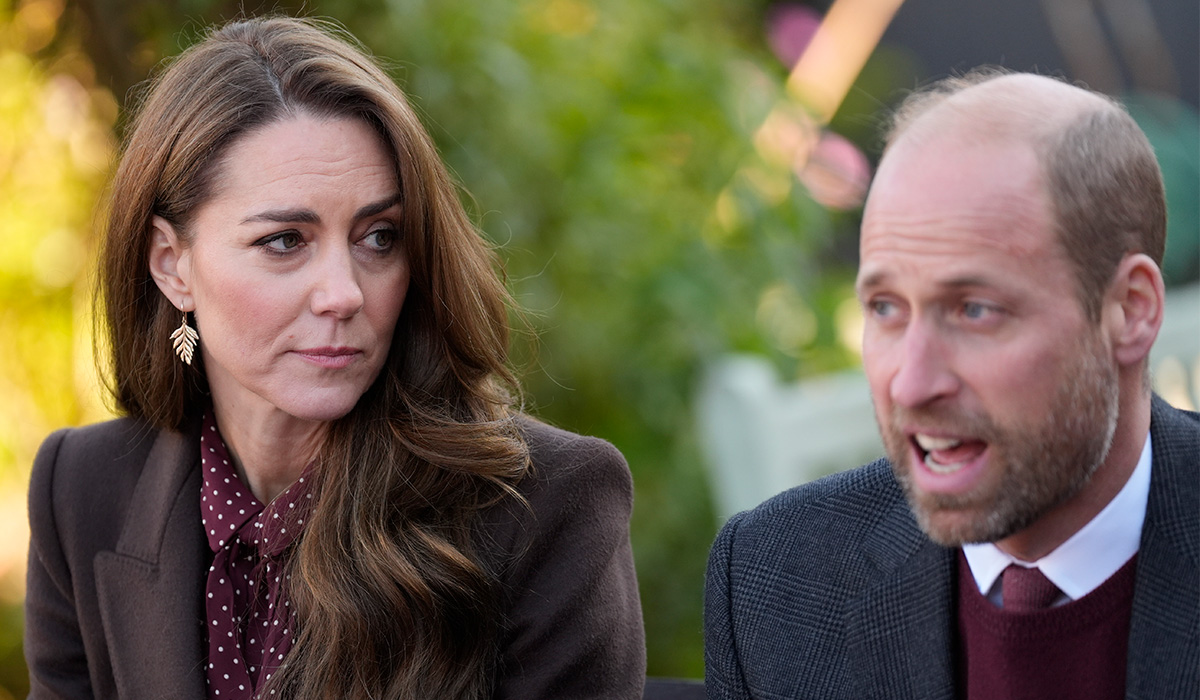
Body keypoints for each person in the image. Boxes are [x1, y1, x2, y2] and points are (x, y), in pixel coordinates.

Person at [25, 16, 645, 700]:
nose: (345, 294)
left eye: (379, 237)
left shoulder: (545, 507)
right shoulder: (81, 491)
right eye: (286, 241)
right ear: (173, 265)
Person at [704, 69, 1198, 700]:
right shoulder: (777, 582)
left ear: (1130, 310)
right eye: (885, 308)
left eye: (973, 310)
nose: (911, 384)